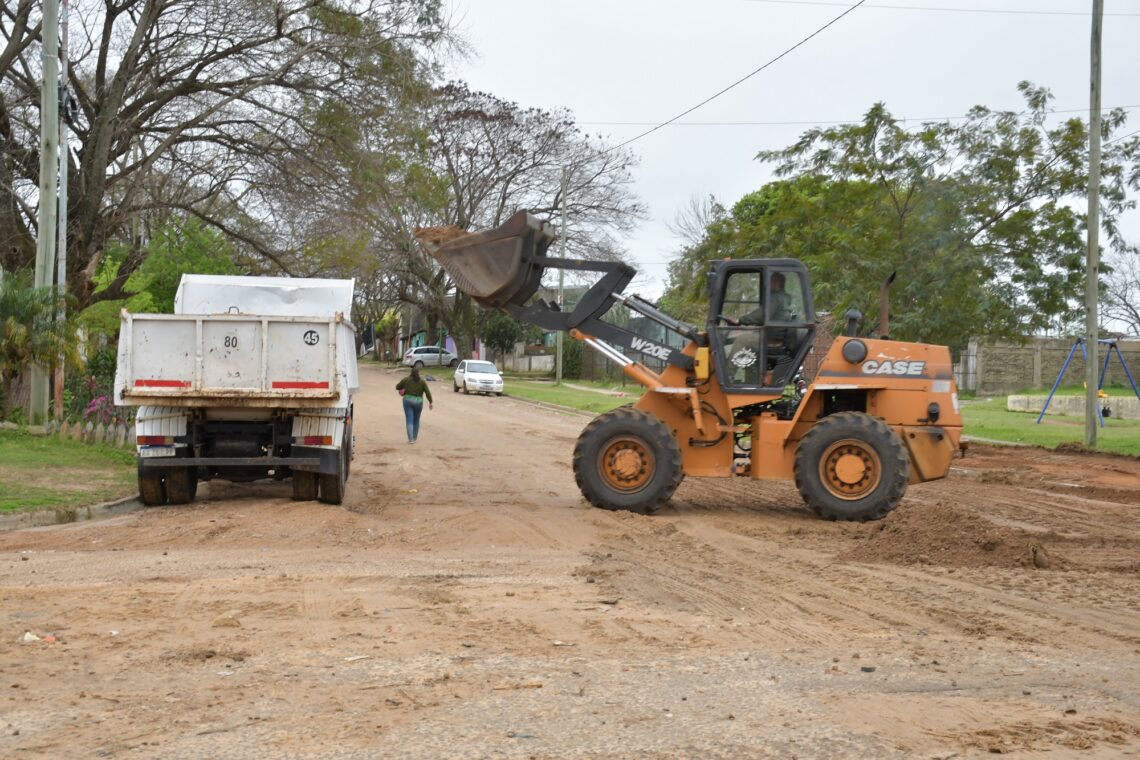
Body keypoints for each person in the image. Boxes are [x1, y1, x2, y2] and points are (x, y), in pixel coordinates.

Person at [725, 272, 795, 382]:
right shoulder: (783, 298)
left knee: (741, 340)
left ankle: (727, 376)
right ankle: (750, 380)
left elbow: (762, 315)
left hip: (771, 341)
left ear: (778, 283)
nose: (768, 284)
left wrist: (739, 320)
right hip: (772, 338)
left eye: (771, 281)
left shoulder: (776, 298)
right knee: (744, 339)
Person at [396, 366, 433, 443]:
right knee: (416, 420)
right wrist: (430, 402)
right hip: (418, 402)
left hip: (407, 401)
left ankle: (410, 439)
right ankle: (414, 437)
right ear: (418, 373)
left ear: (411, 373)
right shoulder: (422, 382)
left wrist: (403, 389)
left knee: (409, 419)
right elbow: (427, 392)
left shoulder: (406, 379)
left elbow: (397, 387)